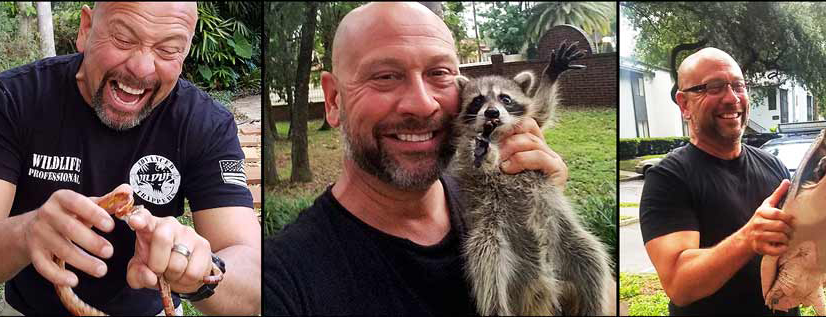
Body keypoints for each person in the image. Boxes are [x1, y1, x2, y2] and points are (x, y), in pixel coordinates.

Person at [262, 2, 612, 315]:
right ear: (334, 99)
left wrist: (542, 201)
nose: (422, 103)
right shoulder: (285, 280)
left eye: (438, 73)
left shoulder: (483, 182)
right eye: (385, 76)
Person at [0, 2, 262, 315]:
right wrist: (26, 232)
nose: (142, 68)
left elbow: (253, 280)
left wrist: (200, 272)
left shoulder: (204, 123)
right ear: (86, 29)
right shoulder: (12, 98)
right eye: (123, 40)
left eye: (168, 49)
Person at [638, 47, 826, 315]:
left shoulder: (773, 165)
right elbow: (679, 284)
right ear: (684, 104)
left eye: (738, 86)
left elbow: (807, 251)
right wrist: (748, 239)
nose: (732, 98)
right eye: (714, 87)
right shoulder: (668, 178)